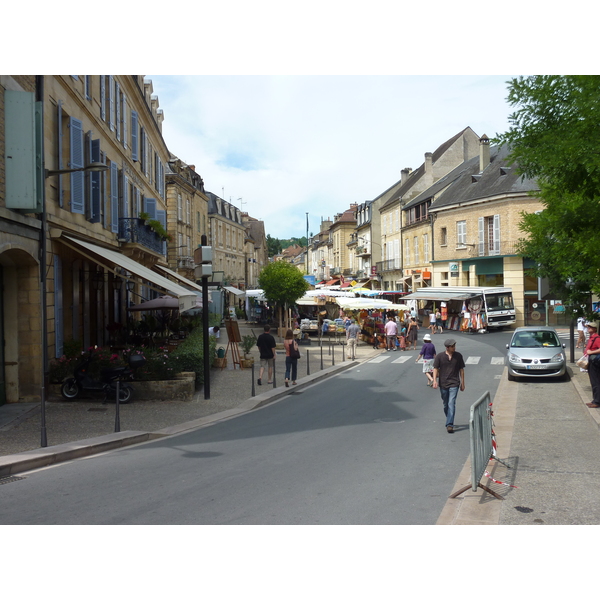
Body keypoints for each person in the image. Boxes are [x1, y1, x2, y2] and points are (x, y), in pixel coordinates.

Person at [432, 338, 466, 434]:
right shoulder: (440, 356)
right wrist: (434, 380)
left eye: (454, 346)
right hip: (443, 383)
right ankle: (449, 418)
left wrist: (463, 383)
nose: (454, 348)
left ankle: (449, 424)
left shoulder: (458, 356)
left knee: (451, 403)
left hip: (454, 383)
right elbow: (435, 369)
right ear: (447, 347)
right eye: (452, 346)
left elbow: (461, 370)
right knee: (446, 404)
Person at [584, 321, 600, 408]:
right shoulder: (591, 338)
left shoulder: (597, 338)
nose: (588, 328)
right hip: (591, 362)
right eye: (588, 327)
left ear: (595, 329)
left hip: (595, 363)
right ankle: (595, 400)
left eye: (590, 327)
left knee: (596, 382)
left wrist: (591, 352)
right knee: (593, 382)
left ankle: (597, 402)